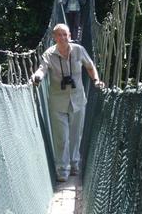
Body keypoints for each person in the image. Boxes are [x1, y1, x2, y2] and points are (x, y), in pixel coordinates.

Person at [31, 24, 104, 182]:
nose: (62, 38)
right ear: (54, 37)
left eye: (65, 35)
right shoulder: (49, 54)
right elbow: (42, 69)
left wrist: (96, 81)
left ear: (70, 36)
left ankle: (74, 163)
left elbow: (90, 67)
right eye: (59, 35)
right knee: (61, 137)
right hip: (58, 101)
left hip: (77, 99)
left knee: (75, 134)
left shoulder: (79, 50)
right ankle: (62, 169)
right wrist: (36, 77)